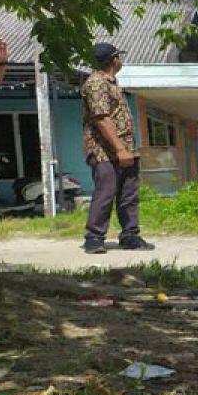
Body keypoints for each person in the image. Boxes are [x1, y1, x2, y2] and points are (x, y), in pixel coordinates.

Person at [81, 42, 154, 254]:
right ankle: (94, 237)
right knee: (106, 192)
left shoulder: (112, 82)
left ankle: (130, 235)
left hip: (126, 147)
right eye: (119, 56)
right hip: (104, 150)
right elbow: (101, 119)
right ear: (114, 59)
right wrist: (119, 149)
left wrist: (126, 149)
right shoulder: (96, 83)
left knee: (128, 194)